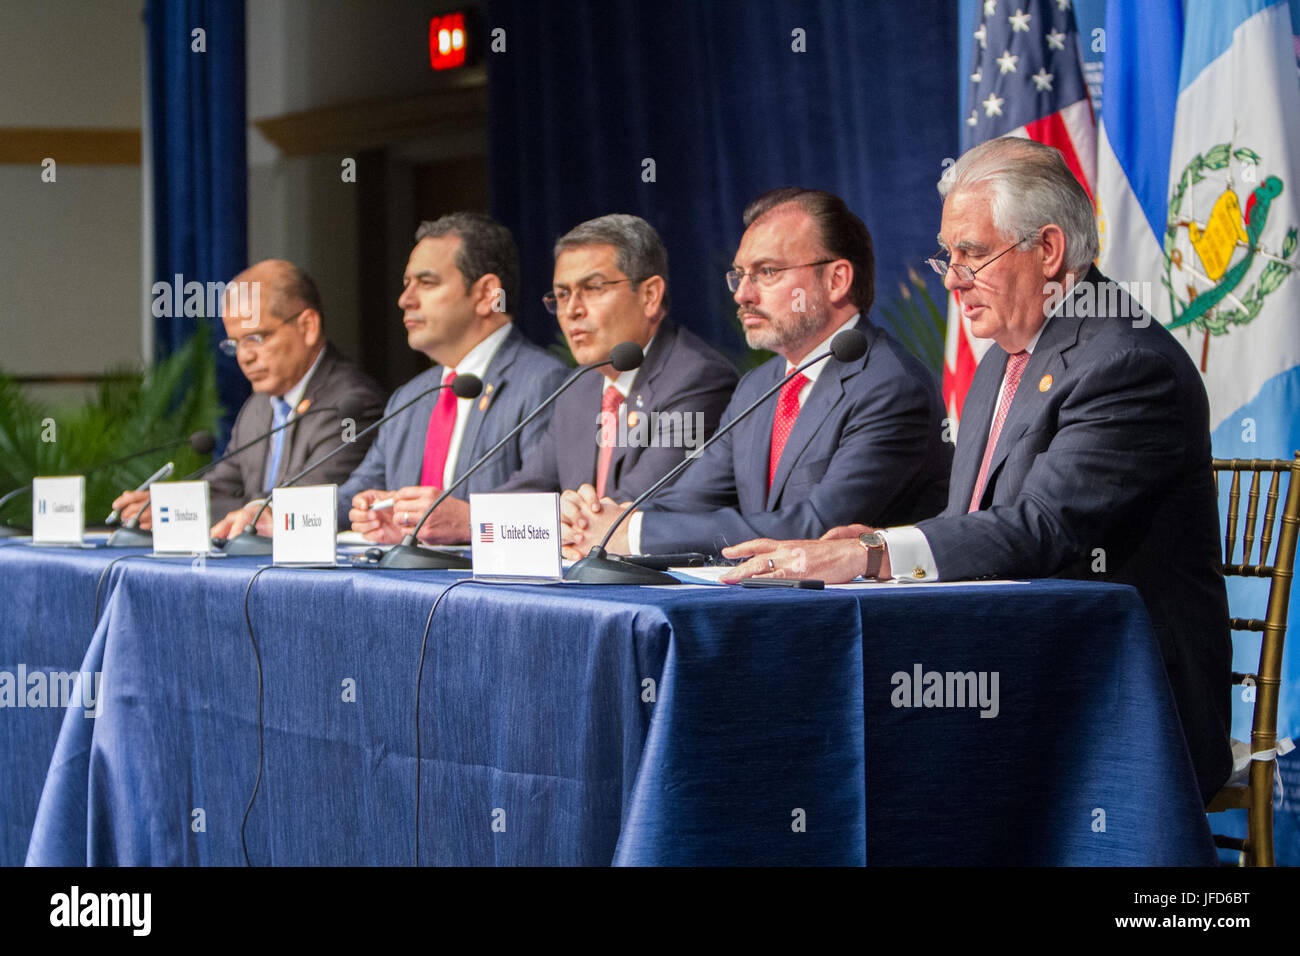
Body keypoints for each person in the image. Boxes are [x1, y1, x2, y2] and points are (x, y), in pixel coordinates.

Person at [722, 138, 1232, 803]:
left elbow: (1041, 529)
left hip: (1118, 697)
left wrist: (873, 552)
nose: (951, 276)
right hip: (1012, 662)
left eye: (971, 253)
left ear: (1048, 251)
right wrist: (863, 543)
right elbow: (977, 525)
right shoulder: (1004, 357)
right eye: (947, 254)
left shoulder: (1127, 363)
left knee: (855, 756)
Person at [561, 188, 950, 559]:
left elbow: (817, 526)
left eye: (766, 272)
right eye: (739, 275)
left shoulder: (890, 386)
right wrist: (603, 520)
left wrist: (635, 534)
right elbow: (689, 497)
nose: (742, 294)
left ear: (837, 280)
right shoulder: (758, 387)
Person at [110, 259, 387, 534]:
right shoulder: (258, 406)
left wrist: (186, 512)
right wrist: (166, 506)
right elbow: (223, 486)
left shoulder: (352, 404)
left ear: (308, 326)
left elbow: (306, 499)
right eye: (235, 343)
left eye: (256, 338)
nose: (245, 356)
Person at [342, 213, 569, 543]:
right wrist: (275, 513)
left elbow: (548, 507)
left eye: (427, 283)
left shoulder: (545, 383)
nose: (405, 300)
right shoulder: (410, 396)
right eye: (407, 284)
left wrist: (468, 522)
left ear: (486, 294)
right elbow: (357, 492)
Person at [491, 213, 738, 515]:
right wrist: (467, 517)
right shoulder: (578, 388)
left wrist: (554, 518)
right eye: (563, 294)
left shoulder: (698, 379)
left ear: (649, 295)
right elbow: (528, 489)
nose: (571, 310)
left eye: (593, 288)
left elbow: (637, 507)